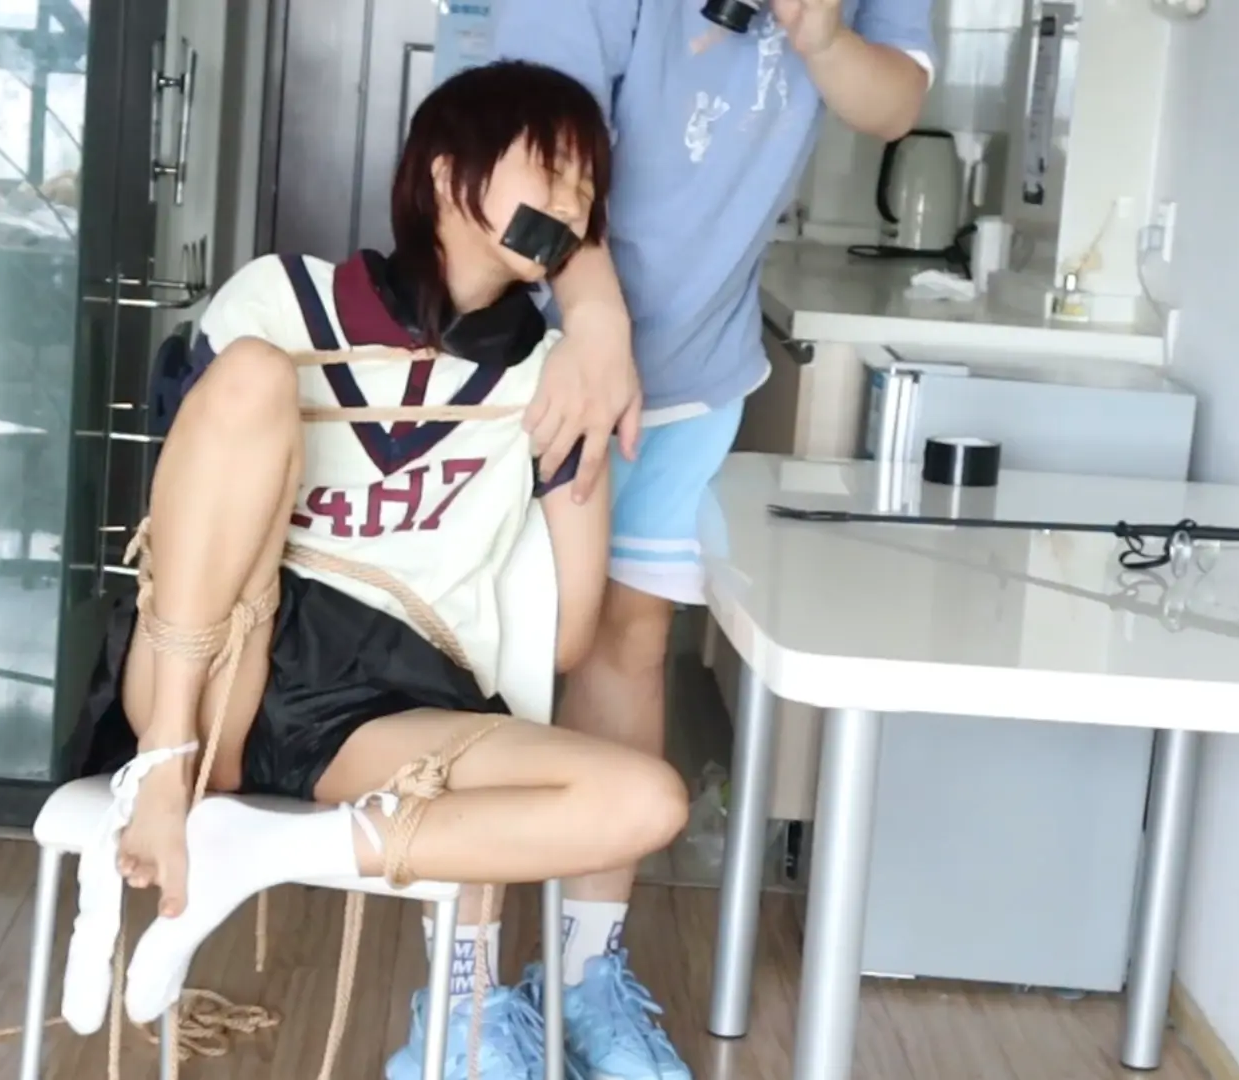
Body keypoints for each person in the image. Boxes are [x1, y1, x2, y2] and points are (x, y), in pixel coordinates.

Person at [64, 60, 689, 1079]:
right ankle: (163, 774)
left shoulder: (550, 378)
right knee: (251, 376)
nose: (574, 206)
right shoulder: (281, 298)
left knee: (647, 801)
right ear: (446, 175)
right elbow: (183, 518)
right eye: (551, 171)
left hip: (385, 716)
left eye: (588, 187)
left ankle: (255, 852)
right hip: (223, 659)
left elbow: (568, 635)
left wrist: (579, 450)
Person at [483, 0, 936, 1077]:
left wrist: (823, 38)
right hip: (526, 347)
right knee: (490, 655)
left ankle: (584, 975)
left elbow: (896, 101)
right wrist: (596, 325)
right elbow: (529, 163)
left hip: (694, 364)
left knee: (629, 643)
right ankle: (463, 1001)